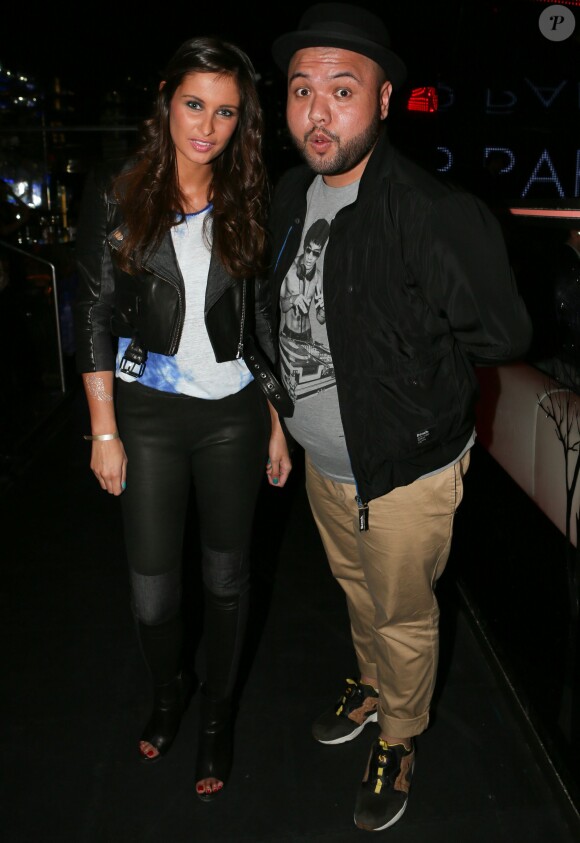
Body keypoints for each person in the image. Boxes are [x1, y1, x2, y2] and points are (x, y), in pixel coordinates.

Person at [268, 3, 532, 832]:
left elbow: (503, 332)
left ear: (383, 101)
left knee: (405, 613)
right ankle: (372, 685)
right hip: (322, 460)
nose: (318, 110)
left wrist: (405, 352)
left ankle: (402, 734)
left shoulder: (428, 209)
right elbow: (275, 320)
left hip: (406, 467)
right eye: (302, 89)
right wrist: (281, 412)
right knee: (357, 593)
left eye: (341, 90)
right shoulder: (286, 195)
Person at [73, 36, 291, 802]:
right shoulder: (118, 188)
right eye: (195, 104)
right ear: (167, 97)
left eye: (227, 111)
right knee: (153, 594)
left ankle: (216, 717)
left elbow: (257, 320)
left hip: (233, 409)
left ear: (242, 120)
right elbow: (95, 314)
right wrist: (105, 430)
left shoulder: (249, 194)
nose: (208, 125)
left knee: (228, 580)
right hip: (149, 410)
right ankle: (171, 690)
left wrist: (273, 420)